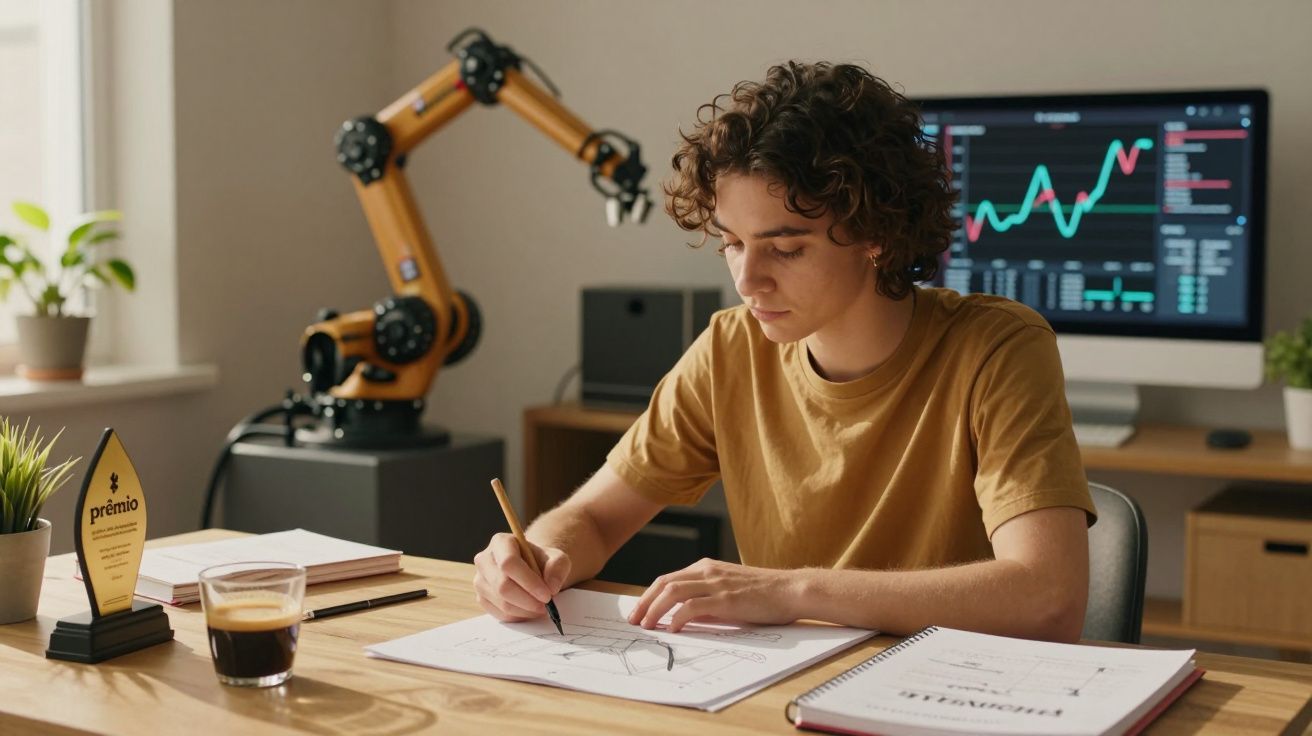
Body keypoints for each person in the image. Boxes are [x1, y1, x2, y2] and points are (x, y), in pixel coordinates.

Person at [473, 61, 1096, 642]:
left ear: (875, 232)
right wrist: (537, 557)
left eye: (786, 248)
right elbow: (596, 519)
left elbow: (1047, 594)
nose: (747, 281)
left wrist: (792, 590)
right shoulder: (729, 347)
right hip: (777, 693)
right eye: (732, 243)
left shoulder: (998, 348)